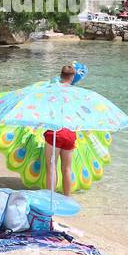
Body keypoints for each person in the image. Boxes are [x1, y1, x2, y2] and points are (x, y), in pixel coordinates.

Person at [43, 64, 78, 196]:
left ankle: (49, 198)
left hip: (55, 131)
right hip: (70, 132)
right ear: (72, 77)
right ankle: (67, 198)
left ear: (61, 75)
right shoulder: (76, 93)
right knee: (67, 169)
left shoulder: (53, 91)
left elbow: (46, 109)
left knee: (51, 167)